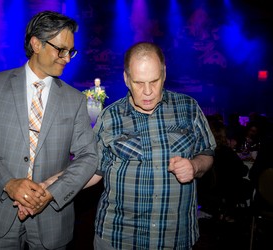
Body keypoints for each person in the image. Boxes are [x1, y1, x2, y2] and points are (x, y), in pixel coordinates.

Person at [0, 10, 98, 250]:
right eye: (61, 50)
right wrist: (8, 183)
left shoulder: (75, 99)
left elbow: (89, 156)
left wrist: (51, 193)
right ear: (36, 43)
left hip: (52, 219)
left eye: (71, 51)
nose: (67, 58)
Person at [89, 42, 216, 249]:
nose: (147, 92)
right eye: (139, 83)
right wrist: (49, 188)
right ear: (126, 79)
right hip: (119, 237)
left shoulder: (189, 108)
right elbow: (92, 170)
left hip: (174, 236)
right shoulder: (109, 116)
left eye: (154, 81)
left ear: (164, 74)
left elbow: (207, 153)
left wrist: (194, 166)